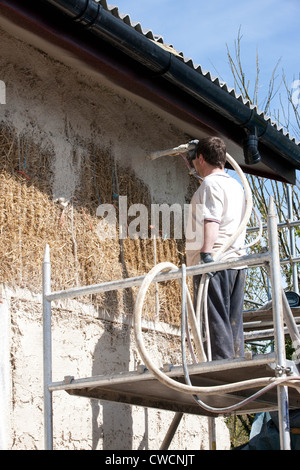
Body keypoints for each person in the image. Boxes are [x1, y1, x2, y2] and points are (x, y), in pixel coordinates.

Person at [185, 136, 247, 361]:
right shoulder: (236, 185)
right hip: (236, 262)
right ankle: (236, 364)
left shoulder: (210, 184)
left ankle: (223, 373)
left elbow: (212, 220)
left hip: (215, 262)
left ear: (201, 158)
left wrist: (206, 254)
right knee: (232, 322)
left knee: (215, 322)